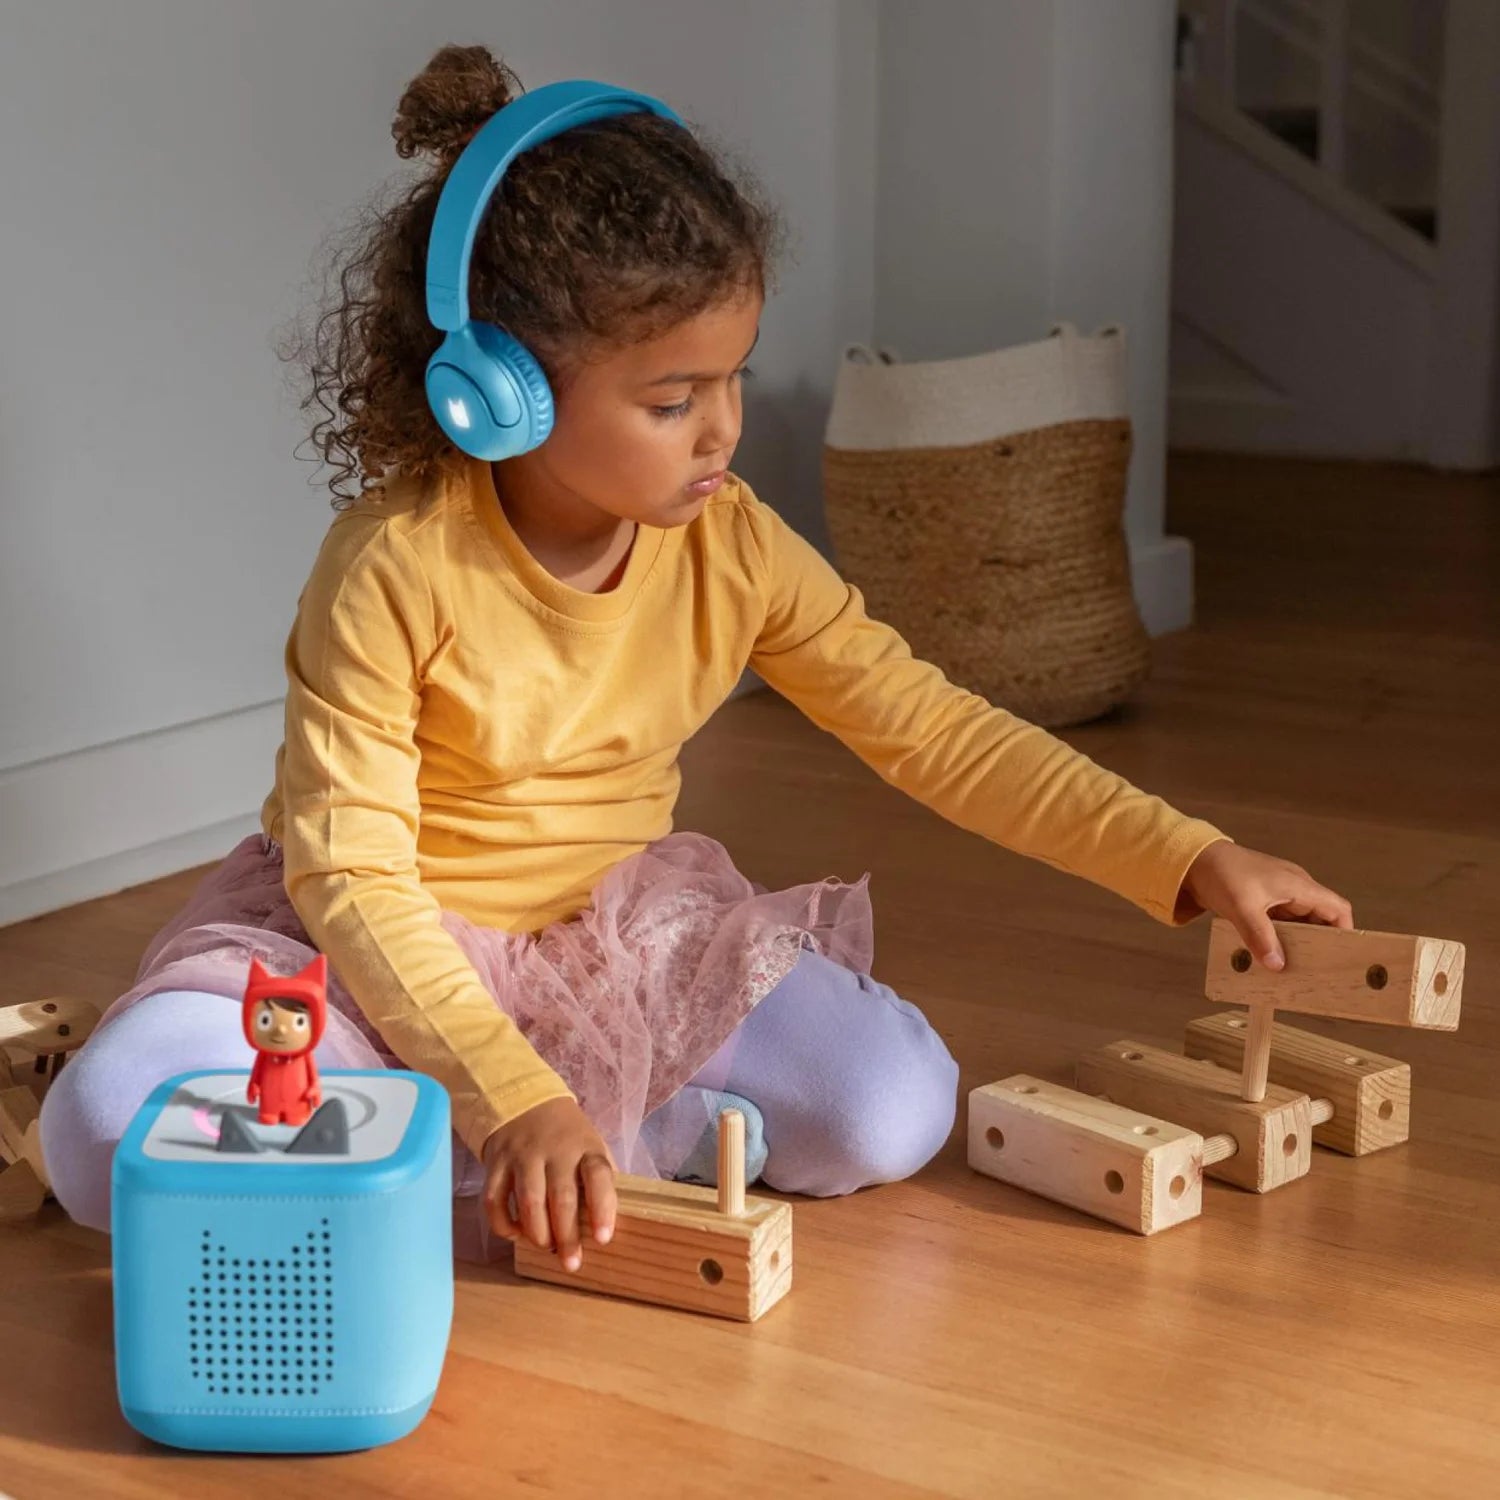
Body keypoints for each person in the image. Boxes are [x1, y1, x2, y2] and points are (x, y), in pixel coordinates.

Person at [40, 46, 1352, 1273]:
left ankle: (509, 1154)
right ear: (500, 389)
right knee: (100, 1139)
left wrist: (1180, 855)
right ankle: (570, 1144)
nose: (722, 429)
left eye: (733, 379)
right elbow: (358, 878)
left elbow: (934, 727)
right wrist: (512, 1100)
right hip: (371, 945)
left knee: (891, 1113)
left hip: (614, 934)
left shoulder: (732, 544)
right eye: (671, 401)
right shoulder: (395, 564)